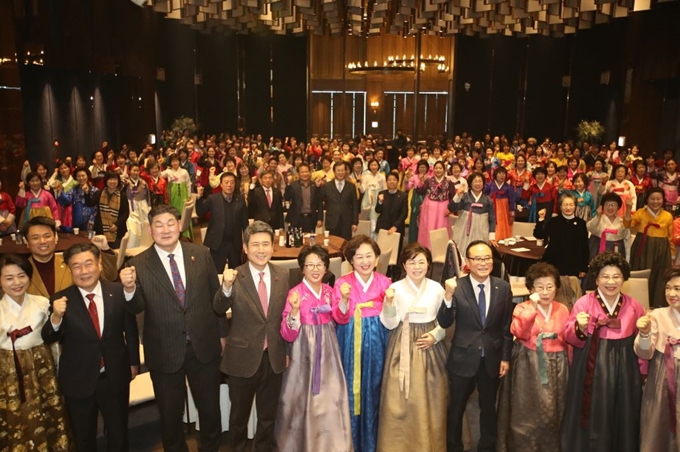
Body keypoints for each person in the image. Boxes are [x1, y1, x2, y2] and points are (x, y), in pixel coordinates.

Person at [119, 205, 226, 452]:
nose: (165, 230)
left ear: (180, 225)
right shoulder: (138, 264)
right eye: (159, 224)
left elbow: (215, 297)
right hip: (164, 351)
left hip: (204, 347)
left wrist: (222, 334)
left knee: (210, 410)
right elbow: (136, 307)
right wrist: (128, 289)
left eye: (170, 223)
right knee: (170, 418)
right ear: (149, 229)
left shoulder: (201, 253)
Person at [42, 243, 140, 452]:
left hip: (114, 375)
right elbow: (50, 336)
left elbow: (130, 330)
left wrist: (133, 363)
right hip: (79, 380)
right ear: (69, 270)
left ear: (100, 264)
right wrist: (56, 316)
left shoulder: (117, 291)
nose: (84, 271)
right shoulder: (61, 299)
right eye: (76, 266)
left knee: (119, 434)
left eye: (88, 264)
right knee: (84, 438)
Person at [213, 220, 290, 452]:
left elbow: (284, 316)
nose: (261, 249)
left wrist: (285, 350)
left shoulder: (283, 274)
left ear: (273, 247)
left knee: (268, 417)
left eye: (266, 244)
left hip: (273, 357)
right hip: (242, 358)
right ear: (245, 247)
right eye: (255, 244)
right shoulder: (235, 275)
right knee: (238, 418)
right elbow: (218, 307)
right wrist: (225, 286)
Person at [562, 252, 644, 452]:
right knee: (592, 411)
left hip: (625, 368)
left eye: (616, 276)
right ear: (596, 278)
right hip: (591, 365)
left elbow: (641, 343)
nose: (611, 282)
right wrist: (579, 328)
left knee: (623, 410)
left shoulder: (634, 306)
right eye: (605, 276)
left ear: (624, 278)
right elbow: (567, 335)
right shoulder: (584, 303)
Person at [274, 245, 352, 452]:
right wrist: (295, 310)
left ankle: (331, 444)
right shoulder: (294, 293)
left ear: (326, 268)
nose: (315, 269)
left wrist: (344, 300)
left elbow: (341, 318)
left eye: (320, 265)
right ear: (302, 269)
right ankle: (299, 444)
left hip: (328, 350)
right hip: (303, 351)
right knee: (301, 398)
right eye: (310, 265)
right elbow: (287, 333)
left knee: (331, 395)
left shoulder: (329, 291)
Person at [437, 240, 513, 452]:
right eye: (478, 259)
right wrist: (448, 297)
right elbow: (444, 322)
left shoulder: (503, 287)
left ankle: (487, 447)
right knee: (456, 408)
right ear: (468, 262)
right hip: (463, 358)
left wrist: (506, 357)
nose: (483, 263)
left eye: (487, 258)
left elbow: (506, 326)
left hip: (492, 357)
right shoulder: (457, 287)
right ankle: (454, 447)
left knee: (489, 408)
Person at [376, 243, 449, 452]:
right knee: (399, 397)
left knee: (432, 397)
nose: (417, 267)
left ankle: (429, 443)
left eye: (421, 262)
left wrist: (436, 336)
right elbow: (389, 324)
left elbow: (445, 321)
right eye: (412, 262)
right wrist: (389, 303)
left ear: (429, 264)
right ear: (404, 265)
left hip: (430, 346)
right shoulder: (395, 288)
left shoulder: (437, 288)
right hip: (402, 343)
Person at [0, 254, 71, 451]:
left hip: (42, 370)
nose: (16, 283)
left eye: (22, 276)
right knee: (16, 418)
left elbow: (54, 341)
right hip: (9, 376)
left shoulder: (42, 303)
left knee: (48, 415)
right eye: (8, 278)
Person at [496, 262, 569, 452]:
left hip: (558, 364)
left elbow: (568, 338)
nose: (545, 292)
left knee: (554, 410)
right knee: (526, 410)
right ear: (531, 289)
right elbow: (520, 333)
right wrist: (533, 307)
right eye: (540, 287)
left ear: (557, 288)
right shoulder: (522, 308)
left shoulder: (563, 309)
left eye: (549, 287)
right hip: (529, 363)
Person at [332, 235, 392, 452]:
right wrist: (345, 301)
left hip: (378, 342)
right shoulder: (342, 283)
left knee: (376, 387)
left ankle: (374, 442)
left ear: (377, 259)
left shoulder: (386, 283)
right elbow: (338, 318)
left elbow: (392, 317)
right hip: (350, 341)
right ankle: (350, 442)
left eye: (369, 256)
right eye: (359, 257)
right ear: (351, 260)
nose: (365, 261)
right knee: (351, 388)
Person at [635, 266, 680, 451]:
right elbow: (644, 353)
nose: (671, 293)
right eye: (668, 287)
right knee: (657, 430)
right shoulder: (657, 316)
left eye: (677, 288)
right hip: (662, 380)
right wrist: (644, 334)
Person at [22, 216, 117, 298]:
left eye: (47, 236)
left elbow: (109, 277)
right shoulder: (21, 270)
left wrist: (105, 249)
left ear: (56, 238)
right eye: (35, 238)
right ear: (26, 242)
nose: (42, 241)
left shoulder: (71, 263)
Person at [625, 187, 674, 308]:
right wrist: (628, 209)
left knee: (660, 277)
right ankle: (638, 304)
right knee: (643, 275)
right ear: (647, 199)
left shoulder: (668, 216)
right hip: (643, 248)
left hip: (663, 249)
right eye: (652, 198)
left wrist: (672, 255)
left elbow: (670, 237)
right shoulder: (641, 213)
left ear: (663, 200)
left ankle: (658, 305)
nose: (655, 201)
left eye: (658, 199)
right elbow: (627, 224)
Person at [196, 172, 249, 271]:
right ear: (221, 184)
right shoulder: (213, 198)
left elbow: (244, 223)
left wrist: (247, 241)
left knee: (236, 272)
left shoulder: (240, 199)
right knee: (216, 273)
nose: (229, 185)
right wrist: (199, 197)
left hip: (235, 243)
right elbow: (200, 212)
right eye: (226, 182)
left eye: (232, 182)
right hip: (218, 243)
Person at [534, 193, 589, 278]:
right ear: (560, 207)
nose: (568, 208)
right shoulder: (553, 221)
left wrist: (584, 268)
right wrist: (541, 219)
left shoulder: (581, 224)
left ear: (575, 206)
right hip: (553, 263)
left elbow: (585, 247)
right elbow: (539, 235)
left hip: (572, 265)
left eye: (571, 205)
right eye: (565, 205)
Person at [449, 172, 496, 263]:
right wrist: (458, 195)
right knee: (462, 252)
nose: (478, 184)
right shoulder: (464, 197)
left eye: (480, 181)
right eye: (475, 181)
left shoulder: (488, 200)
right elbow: (452, 208)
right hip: (464, 229)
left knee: (479, 252)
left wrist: (491, 236)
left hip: (482, 229)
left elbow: (492, 219)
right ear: (470, 183)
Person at [416, 161, 455, 249]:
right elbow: (420, 192)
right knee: (429, 227)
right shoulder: (428, 180)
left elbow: (452, 196)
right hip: (430, 207)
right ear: (433, 169)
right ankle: (427, 248)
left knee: (442, 227)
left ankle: (441, 249)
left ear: (444, 170)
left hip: (444, 206)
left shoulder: (449, 182)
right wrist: (421, 182)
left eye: (440, 168)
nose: (438, 170)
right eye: (436, 168)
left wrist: (451, 209)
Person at [318, 162, 359, 240]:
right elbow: (320, 202)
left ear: (346, 171)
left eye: (342, 170)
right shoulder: (327, 186)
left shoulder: (351, 186)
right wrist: (320, 218)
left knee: (346, 245)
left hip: (346, 222)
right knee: (332, 245)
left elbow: (355, 205)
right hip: (331, 221)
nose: (340, 173)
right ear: (334, 172)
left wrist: (355, 222)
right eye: (338, 170)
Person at [93, 172, 129, 249]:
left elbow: (125, 213)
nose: (112, 182)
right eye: (110, 179)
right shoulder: (98, 194)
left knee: (115, 254)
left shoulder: (122, 195)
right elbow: (90, 204)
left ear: (118, 181)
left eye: (115, 179)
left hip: (117, 231)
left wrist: (117, 225)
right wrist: (86, 193)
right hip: (101, 229)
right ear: (106, 181)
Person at [284, 163, 320, 233]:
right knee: (295, 241)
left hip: (310, 218)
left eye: (306, 172)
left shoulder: (314, 185)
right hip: (296, 219)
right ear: (298, 174)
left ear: (310, 172)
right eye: (302, 172)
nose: (304, 174)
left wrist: (319, 218)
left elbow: (319, 202)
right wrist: (288, 184)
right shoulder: (293, 185)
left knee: (309, 241)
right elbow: (287, 198)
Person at [484, 167, 515, 241]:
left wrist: (512, 214)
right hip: (492, 209)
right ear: (495, 174)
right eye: (499, 173)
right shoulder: (489, 185)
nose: (502, 175)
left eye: (503, 173)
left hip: (504, 210)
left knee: (503, 226)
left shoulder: (509, 187)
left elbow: (512, 201)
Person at [404, 160, 430, 245]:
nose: (422, 169)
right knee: (415, 220)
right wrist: (406, 180)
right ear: (418, 168)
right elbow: (407, 187)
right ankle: (413, 242)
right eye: (420, 167)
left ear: (427, 168)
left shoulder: (430, 178)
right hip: (416, 200)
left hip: (427, 199)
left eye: (424, 167)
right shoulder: (414, 177)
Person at [361, 160, 387, 233]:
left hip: (377, 197)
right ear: (369, 166)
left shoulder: (382, 176)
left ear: (378, 166)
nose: (373, 167)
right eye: (372, 165)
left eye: (375, 165)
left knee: (375, 217)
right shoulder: (366, 176)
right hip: (367, 198)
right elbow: (362, 190)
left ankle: (375, 236)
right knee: (366, 218)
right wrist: (360, 182)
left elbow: (385, 189)